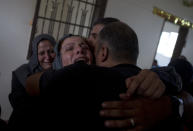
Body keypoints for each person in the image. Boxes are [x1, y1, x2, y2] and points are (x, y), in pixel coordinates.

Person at [26, 22, 182, 130]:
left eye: (85, 46)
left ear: (101, 53)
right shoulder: (46, 90)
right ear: (58, 61)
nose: (80, 50)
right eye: (69, 49)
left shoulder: (150, 84)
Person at [88, 17, 193, 131]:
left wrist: (169, 102)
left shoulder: (149, 81)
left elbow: (187, 99)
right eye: (91, 35)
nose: (89, 41)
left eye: (95, 36)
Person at [8, 34, 56, 129]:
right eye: (42, 53)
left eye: (51, 51)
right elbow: (20, 105)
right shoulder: (22, 72)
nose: (48, 56)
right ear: (35, 55)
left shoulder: (62, 71)